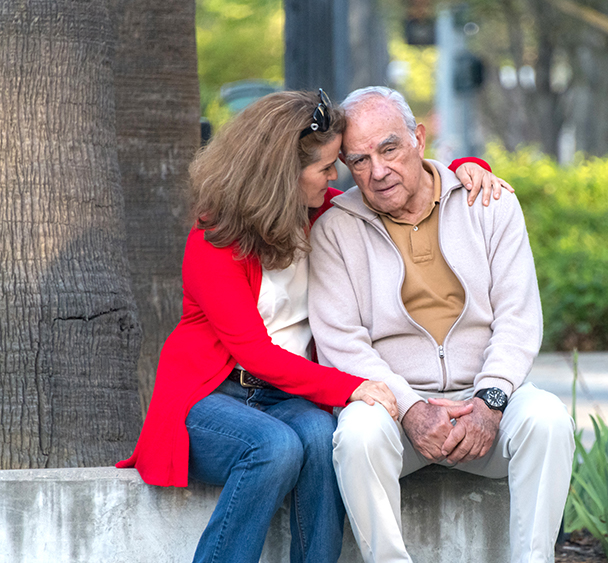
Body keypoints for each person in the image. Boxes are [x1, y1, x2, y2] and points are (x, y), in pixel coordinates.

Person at [115, 89, 508, 563]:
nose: (335, 176)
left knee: (325, 440)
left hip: (286, 397)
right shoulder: (213, 242)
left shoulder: (322, 213)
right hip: (211, 397)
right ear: (284, 174)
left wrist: (470, 166)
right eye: (325, 167)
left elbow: (405, 184)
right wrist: (353, 387)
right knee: (274, 448)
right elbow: (255, 354)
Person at [307, 86, 575, 563]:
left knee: (548, 419)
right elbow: (340, 343)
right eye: (359, 160)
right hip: (396, 411)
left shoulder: (488, 204)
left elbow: (518, 316)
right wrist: (410, 409)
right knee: (356, 434)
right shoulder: (335, 228)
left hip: (485, 399)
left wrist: (490, 401)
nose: (378, 171)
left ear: (419, 139)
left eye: (389, 148)